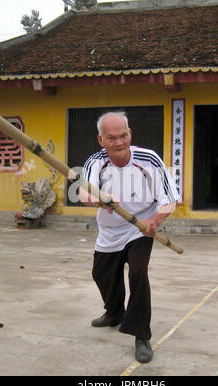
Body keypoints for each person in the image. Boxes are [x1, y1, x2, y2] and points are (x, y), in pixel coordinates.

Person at [78, 112, 179, 364]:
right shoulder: (95, 162)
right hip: (110, 232)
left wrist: (154, 222)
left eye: (123, 135)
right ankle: (113, 314)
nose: (119, 142)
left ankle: (141, 334)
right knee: (101, 274)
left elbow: (169, 199)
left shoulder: (149, 159)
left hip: (140, 228)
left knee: (137, 272)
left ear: (130, 134)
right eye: (112, 138)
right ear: (101, 140)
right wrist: (100, 200)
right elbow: (83, 193)